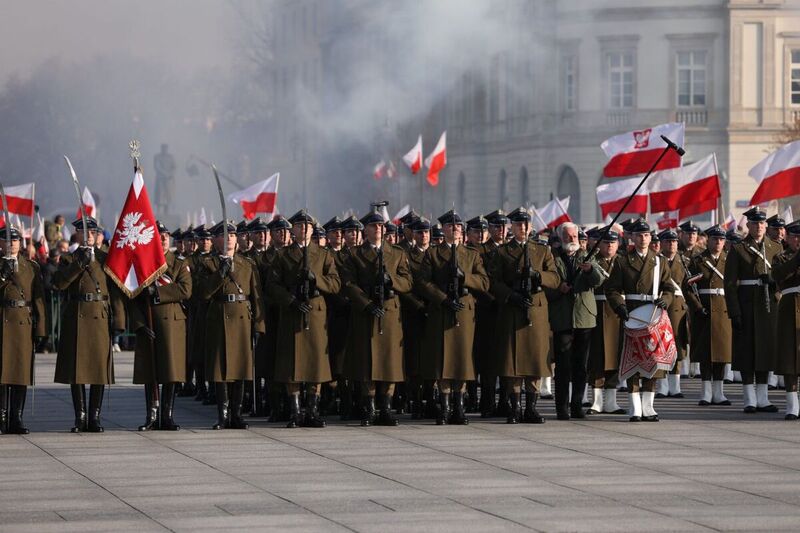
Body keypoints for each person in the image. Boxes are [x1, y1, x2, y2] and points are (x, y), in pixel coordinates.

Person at [268, 210, 341, 428]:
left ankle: (313, 410)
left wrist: (316, 279)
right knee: (293, 363)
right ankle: (296, 411)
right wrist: (290, 299)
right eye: (299, 226)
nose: (304, 229)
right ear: (294, 230)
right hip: (293, 311)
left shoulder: (324, 254)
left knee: (315, 363)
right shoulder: (282, 255)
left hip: (316, 310)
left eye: (307, 226)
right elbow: (272, 285)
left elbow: (335, 283)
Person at [340, 208, 413, 426]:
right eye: (374, 226)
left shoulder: (397, 253)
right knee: (367, 363)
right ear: (366, 230)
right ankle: (369, 408)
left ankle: (386, 408)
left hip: (390, 312)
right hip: (367, 313)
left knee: (389, 362)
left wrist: (392, 281)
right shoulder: (354, 254)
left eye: (381, 226)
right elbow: (349, 283)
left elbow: (408, 282)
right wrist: (367, 303)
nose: (378, 229)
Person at [53, 217, 126, 432]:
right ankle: (80, 416)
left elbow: (115, 292)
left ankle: (94, 416)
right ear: (77, 234)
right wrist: (79, 264)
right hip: (77, 318)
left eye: (92, 233)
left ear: (97, 235)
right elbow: (60, 283)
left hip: (100, 318)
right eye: (84, 232)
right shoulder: (68, 259)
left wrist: (119, 321)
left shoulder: (105, 258)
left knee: (98, 370)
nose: (88, 236)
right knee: (77, 371)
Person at [417, 210, 489, 425]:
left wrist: (465, 278)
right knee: (443, 359)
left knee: (461, 359)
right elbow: (422, 282)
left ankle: (459, 407)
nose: (454, 229)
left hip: (464, 310)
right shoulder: (432, 253)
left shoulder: (472, 254)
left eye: (458, 226)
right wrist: (442, 298)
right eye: (450, 226)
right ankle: (445, 406)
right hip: (442, 310)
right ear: (444, 229)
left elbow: (484, 282)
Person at [488, 207, 559, 424]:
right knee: (513, 362)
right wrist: (510, 296)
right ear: (512, 226)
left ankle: (531, 407)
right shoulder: (502, 252)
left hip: (536, 308)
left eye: (526, 224)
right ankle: (515, 407)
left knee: (534, 361)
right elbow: (493, 281)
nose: (523, 228)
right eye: (518, 224)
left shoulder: (542, 250)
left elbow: (555, 279)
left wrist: (538, 276)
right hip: (513, 308)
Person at [605, 218, 674, 422]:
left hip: (653, 315)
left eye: (646, 235)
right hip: (632, 314)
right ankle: (635, 407)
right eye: (639, 235)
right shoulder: (623, 260)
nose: (643, 239)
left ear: (651, 237)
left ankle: (649, 407)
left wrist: (666, 300)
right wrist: (620, 306)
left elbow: (669, 287)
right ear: (632, 237)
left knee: (652, 361)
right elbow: (612, 289)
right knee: (633, 361)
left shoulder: (659, 261)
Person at [199, 221, 265, 430]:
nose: (229, 238)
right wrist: (221, 273)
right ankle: (223, 414)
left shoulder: (247, 264)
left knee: (241, 368)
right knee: (221, 369)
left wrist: (259, 326)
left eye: (233, 235)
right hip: (219, 318)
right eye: (224, 235)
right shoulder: (207, 263)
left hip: (242, 319)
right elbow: (203, 293)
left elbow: (256, 296)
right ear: (216, 240)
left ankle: (236, 414)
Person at [131, 222, 192, 431]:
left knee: (170, 372)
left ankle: (167, 415)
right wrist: (139, 324)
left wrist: (157, 293)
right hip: (150, 323)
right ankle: (151, 415)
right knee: (151, 372)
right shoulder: (143, 264)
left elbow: (186, 289)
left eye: (166, 235)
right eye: (159, 235)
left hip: (172, 324)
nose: (164, 238)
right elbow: (133, 297)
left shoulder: (179, 263)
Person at [724, 207, 781, 413]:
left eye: (762, 223)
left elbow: (782, 277)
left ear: (766, 225)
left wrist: (773, 281)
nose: (759, 227)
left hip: (768, 307)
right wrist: (734, 312)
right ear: (747, 225)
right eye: (755, 223)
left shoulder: (774, 248)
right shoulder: (738, 249)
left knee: (765, 352)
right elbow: (729, 284)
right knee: (747, 354)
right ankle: (749, 399)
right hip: (746, 305)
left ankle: (763, 398)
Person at [546, 222, 603, 420]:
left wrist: (589, 271)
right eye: (569, 236)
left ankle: (577, 404)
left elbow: (599, 280)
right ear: (561, 238)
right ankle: (562, 408)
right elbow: (547, 282)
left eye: (575, 237)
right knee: (563, 366)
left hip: (584, 316)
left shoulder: (587, 255)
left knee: (581, 365)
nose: (572, 240)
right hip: (562, 316)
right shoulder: (553, 257)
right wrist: (558, 288)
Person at [0, 225, 46, 434]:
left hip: (23, 324)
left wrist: (41, 329)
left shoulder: (31, 266)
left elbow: (39, 300)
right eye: (7, 240)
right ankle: (1, 418)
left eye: (15, 240)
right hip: (2, 321)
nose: (11, 243)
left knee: (20, 373)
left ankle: (16, 418)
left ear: (20, 242)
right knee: (2, 373)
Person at [685, 225, 731, 406]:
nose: (718, 242)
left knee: (721, 353)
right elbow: (687, 287)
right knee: (705, 353)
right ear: (708, 240)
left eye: (721, 239)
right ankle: (705, 392)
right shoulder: (698, 261)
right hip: (704, 309)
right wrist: (697, 307)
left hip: (724, 309)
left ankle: (719, 393)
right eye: (714, 239)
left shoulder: (728, 260)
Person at [586, 227, 626, 414]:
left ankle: (611, 401)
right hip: (597, 311)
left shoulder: (622, 262)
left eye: (612, 243)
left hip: (617, 313)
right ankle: (597, 401)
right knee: (596, 357)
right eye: (605, 243)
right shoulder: (592, 261)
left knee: (615, 357)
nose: (609, 246)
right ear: (599, 244)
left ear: (618, 244)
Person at [400, 218, 431, 419]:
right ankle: (416, 400)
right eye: (419, 232)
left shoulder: (437, 255)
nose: (423, 236)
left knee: (431, 359)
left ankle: (430, 399)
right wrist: (419, 305)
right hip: (414, 313)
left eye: (426, 232)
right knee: (414, 361)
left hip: (435, 312)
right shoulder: (405, 256)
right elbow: (405, 286)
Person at [656, 228, 690, 398]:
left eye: (674, 241)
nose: (672, 244)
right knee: (661, 345)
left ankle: (675, 386)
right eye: (668, 241)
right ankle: (662, 385)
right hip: (660, 305)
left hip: (678, 306)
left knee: (677, 345)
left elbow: (688, 287)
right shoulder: (656, 261)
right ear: (661, 243)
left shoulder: (684, 261)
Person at [773, 220, 800, 419]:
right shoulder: (780, 257)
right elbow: (779, 276)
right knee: (789, 357)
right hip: (789, 307)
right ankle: (792, 405)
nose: (798, 240)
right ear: (788, 238)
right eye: (795, 236)